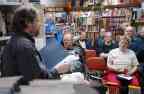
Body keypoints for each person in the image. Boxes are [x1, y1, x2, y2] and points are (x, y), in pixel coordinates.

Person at [1, 5, 48, 85]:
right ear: (28, 22)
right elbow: (38, 79)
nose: (39, 24)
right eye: (37, 21)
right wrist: (57, 71)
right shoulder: (25, 46)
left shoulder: (11, 42)